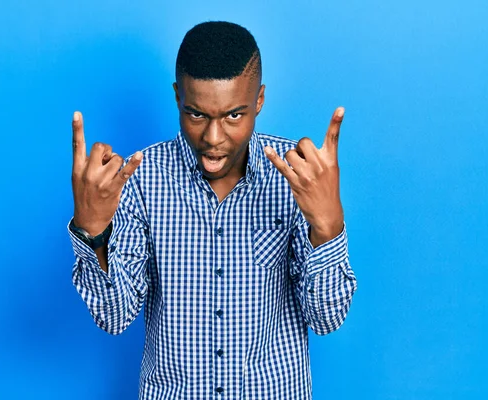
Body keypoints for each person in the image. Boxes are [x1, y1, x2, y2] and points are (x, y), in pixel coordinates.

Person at [67, 21, 358, 400]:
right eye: (197, 115)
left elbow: (326, 318)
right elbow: (115, 316)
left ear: (259, 100)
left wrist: (328, 226)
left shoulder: (298, 177)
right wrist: (93, 230)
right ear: (177, 98)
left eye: (234, 115)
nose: (213, 138)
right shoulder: (140, 180)